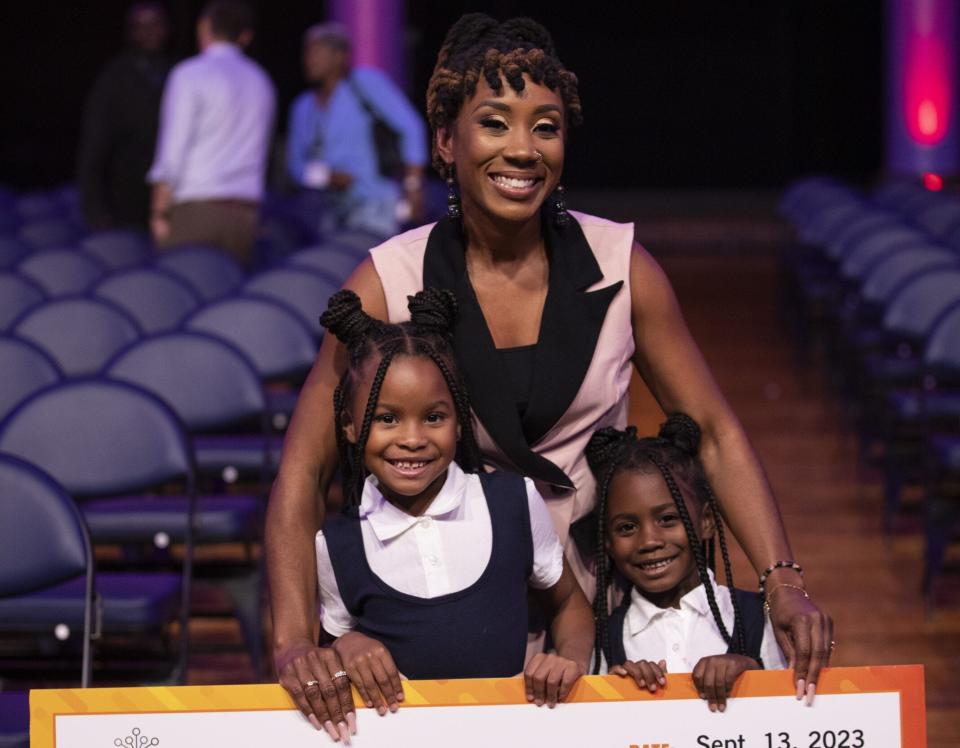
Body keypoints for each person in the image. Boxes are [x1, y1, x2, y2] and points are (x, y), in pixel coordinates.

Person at [265, 13, 832, 729]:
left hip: (605, 616)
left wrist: (782, 582)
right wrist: (291, 643)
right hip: (446, 621)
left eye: (546, 126)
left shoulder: (624, 268)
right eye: (495, 123)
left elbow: (714, 433)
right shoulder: (388, 280)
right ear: (446, 140)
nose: (523, 149)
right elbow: (303, 472)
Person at [299, 287, 591, 741]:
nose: (412, 439)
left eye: (433, 417)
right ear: (351, 427)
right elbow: (335, 639)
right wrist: (347, 645)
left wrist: (569, 658)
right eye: (387, 419)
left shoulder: (513, 501)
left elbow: (570, 603)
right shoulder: (336, 545)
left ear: (460, 420)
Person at [586, 416, 789, 714]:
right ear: (607, 543)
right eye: (627, 527)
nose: (649, 541)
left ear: (706, 522)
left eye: (668, 519)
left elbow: (794, 721)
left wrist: (752, 673)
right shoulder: (603, 640)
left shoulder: (760, 618)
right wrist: (618, 694)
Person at [147, 0, 275, 266]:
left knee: (180, 300)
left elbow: (172, 152)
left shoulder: (189, 74)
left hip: (196, 211)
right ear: (245, 36)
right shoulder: (262, 82)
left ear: (203, 28)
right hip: (244, 218)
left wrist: (159, 213)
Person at [285, 22, 428, 239]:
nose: (309, 59)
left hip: (376, 204)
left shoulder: (364, 84)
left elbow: (411, 128)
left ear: (339, 56)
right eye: (306, 52)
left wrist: (413, 187)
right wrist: (327, 177)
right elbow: (295, 166)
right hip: (329, 210)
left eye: (317, 51)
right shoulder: (302, 107)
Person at [77, 2, 173, 230]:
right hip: (124, 201)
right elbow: (93, 146)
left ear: (166, 28)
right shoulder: (114, 76)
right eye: (141, 26)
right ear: (131, 32)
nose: (149, 32)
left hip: (173, 203)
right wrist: (95, 209)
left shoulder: (181, 73)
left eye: (155, 24)